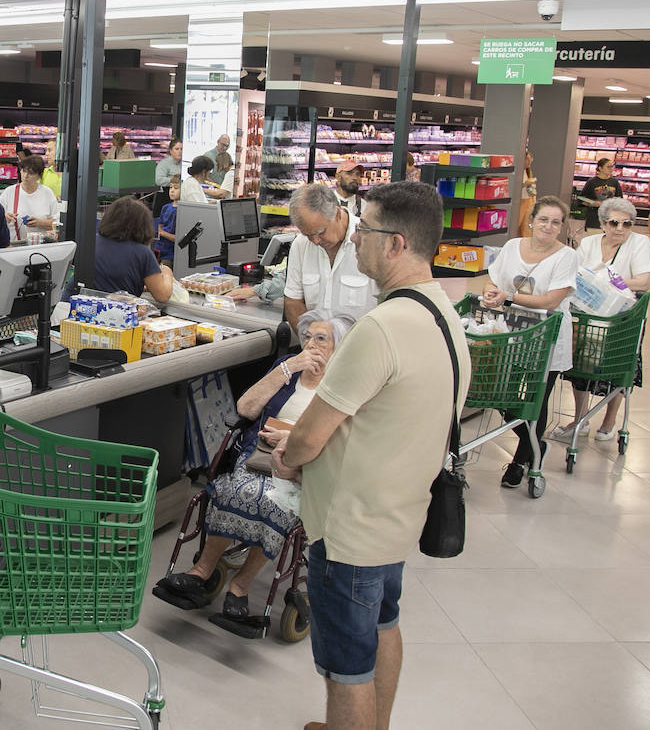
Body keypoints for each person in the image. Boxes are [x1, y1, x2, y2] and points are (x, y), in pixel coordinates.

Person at [267, 181, 469, 730]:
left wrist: (289, 452)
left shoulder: (380, 328)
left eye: (369, 231)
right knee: (384, 623)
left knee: (346, 667)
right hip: (400, 512)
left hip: (350, 526)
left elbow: (310, 436)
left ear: (397, 243)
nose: (358, 242)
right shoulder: (445, 316)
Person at [153, 310, 352, 621]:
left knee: (276, 504)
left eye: (321, 339)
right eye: (308, 337)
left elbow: (340, 439)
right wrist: (288, 366)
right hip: (258, 454)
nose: (311, 344)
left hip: (304, 467)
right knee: (230, 489)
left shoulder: (343, 386)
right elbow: (245, 408)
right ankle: (201, 571)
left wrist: (290, 436)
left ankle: (240, 587)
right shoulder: (289, 369)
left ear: (339, 347)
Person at [482, 195, 577, 486]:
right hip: (512, 333)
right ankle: (536, 445)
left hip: (546, 336)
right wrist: (490, 293)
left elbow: (551, 299)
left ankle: (521, 460)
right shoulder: (512, 246)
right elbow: (494, 281)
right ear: (532, 220)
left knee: (537, 400)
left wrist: (508, 297)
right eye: (544, 219)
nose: (549, 226)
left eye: (556, 222)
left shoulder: (566, 256)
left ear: (561, 227)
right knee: (503, 397)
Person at [555, 197, 650, 443]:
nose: (620, 229)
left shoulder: (640, 243)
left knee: (617, 366)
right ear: (603, 224)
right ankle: (580, 417)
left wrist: (607, 282)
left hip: (623, 317)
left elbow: (643, 281)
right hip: (587, 316)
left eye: (627, 224)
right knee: (580, 364)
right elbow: (573, 274)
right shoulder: (588, 244)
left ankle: (610, 420)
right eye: (614, 223)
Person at [283, 183, 379, 329]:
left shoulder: (371, 241)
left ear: (338, 214)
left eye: (320, 232)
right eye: (308, 235)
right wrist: (312, 342)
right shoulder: (301, 244)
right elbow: (293, 301)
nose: (315, 241)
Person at [92, 196, 173, 302]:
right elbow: (162, 296)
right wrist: (167, 273)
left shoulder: (92, 243)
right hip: (117, 314)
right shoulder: (142, 253)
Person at [0, 154, 57, 241]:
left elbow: (57, 223)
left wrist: (40, 223)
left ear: (39, 175)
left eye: (31, 173)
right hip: (14, 245)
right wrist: (5, 218)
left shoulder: (47, 193)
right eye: (23, 171)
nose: (25, 176)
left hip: (40, 246)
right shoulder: (9, 192)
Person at [578, 158, 622, 230]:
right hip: (594, 218)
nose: (611, 169)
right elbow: (581, 198)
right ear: (600, 168)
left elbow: (619, 199)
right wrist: (593, 203)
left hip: (610, 218)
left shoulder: (614, 182)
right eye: (608, 167)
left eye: (612, 166)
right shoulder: (592, 182)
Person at [155, 176, 181, 266]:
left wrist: (162, 233)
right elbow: (160, 225)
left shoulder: (181, 211)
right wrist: (160, 232)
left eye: (176, 188)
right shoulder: (165, 207)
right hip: (159, 248)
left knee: (165, 271)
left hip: (171, 253)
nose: (172, 190)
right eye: (170, 187)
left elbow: (178, 238)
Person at [517, 151, 537, 238]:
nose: (529, 161)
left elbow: (531, 191)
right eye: (527, 159)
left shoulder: (527, 172)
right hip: (520, 202)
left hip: (527, 201)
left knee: (526, 227)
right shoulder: (518, 172)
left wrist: (531, 187)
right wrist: (525, 184)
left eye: (530, 159)